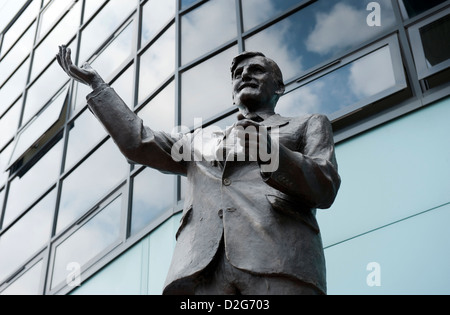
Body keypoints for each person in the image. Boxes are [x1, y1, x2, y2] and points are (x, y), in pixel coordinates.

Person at [57, 46, 341, 295]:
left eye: (256, 70)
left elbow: (325, 186)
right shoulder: (198, 142)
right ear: (233, 97)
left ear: (279, 87)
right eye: (238, 73)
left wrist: (271, 153)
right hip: (200, 273)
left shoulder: (306, 124)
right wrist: (98, 86)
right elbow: (137, 141)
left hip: (279, 262)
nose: (245, 75)